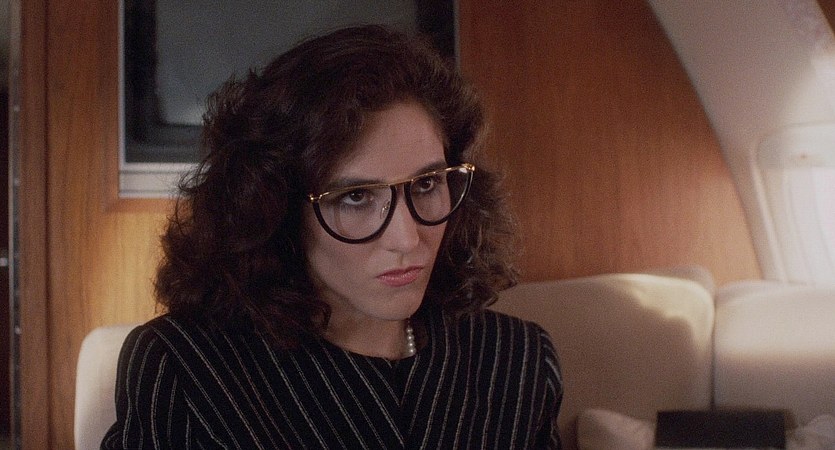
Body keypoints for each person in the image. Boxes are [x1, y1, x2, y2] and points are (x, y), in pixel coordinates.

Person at [102, 24, 562, 449]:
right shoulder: (185, 370)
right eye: (356, 197)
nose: (407, 238)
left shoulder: (517, 361)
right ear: (277, 210)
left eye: (426, 184)